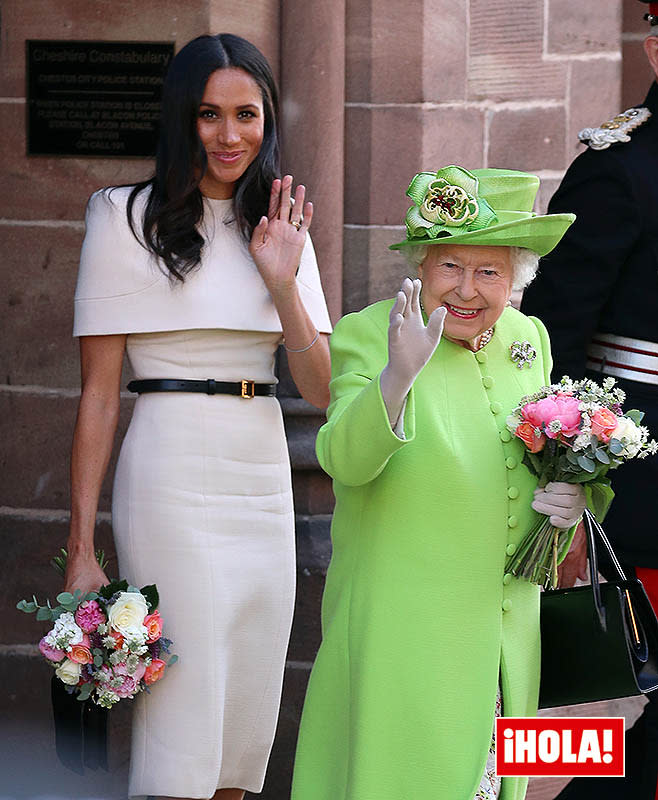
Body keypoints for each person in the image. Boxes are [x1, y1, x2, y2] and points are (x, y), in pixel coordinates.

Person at [65, 33, 332, 800]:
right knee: (183, 711)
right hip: (169, 470)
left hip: (259, 473)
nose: (228, 135)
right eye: (209, 115)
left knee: (246, 715)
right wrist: (81, 545)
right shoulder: (122, 216)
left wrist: (282, 280)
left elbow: (319, 390)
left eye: (246, 114)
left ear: (267, 119)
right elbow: (97, 394)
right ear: (182, 118)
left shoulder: (285, 222)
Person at [290, 165, 580, 800]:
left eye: (490, 272)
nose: (468, 290)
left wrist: (573, 504)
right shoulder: (373, 332)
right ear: (422, 265)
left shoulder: (528, 338)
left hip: (506, 636)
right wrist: (397, 376)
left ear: (516, 279)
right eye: (451, 267)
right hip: (408, 633)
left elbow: (548, 461)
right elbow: (342, 458)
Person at [521, 3, 658, 797]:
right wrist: (569, 487)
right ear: (652, 47)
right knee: (586, 733)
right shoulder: (620, 165)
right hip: (634, 497)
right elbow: (554, 346)